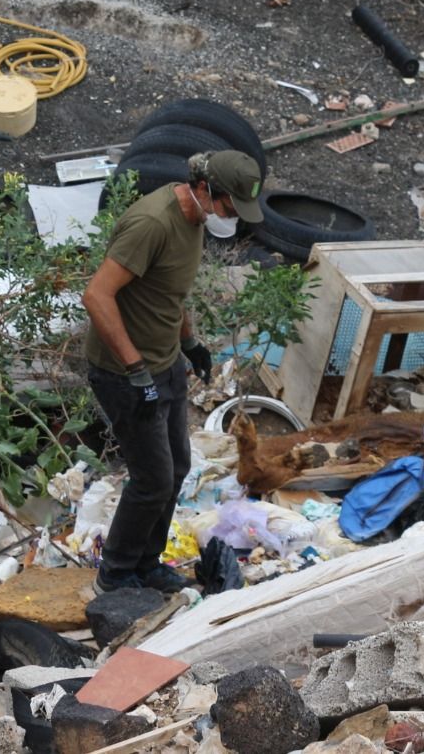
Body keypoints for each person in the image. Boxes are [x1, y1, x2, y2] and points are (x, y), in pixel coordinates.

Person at [80, 150, 264, 592]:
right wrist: (135, 369)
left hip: (164, 362)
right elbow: (97, 295)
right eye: (229, 207)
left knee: (178, 467)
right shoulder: (153, 224)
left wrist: (189, 342)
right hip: (124, 371)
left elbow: (169, 293)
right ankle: (116, 574)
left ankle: (146, 562)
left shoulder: (195, 222)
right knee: (152, 479)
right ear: (205, 189)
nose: (231, 218)